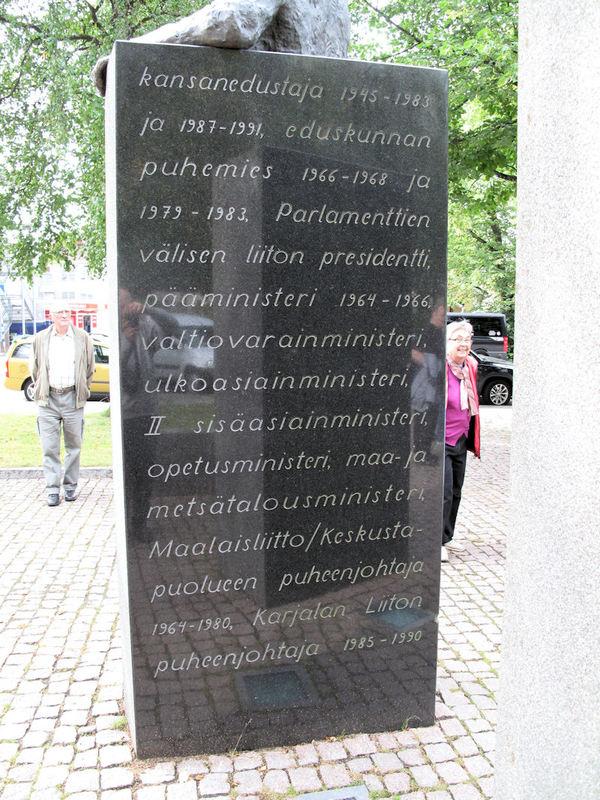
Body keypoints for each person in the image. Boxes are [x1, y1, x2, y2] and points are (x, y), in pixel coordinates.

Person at [30, 301, 95, 506]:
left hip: (72, 399)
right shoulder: (40, 338)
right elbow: (35, 368)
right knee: (49, 447)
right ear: (52, 315)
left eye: (67, 311)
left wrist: (83, 389)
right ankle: (52, 489)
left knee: (74, 447)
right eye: (59, 312)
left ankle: (70, 487)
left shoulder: (82, 337)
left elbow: (90, 367)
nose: (64, 315)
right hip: (48, 400)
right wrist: (41, 388)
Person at [442, 320, 480, 561]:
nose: (463, 343)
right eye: (457, 339)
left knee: (456, 491)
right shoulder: (439, 368)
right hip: (442, 439)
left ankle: (447, 536)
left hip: (461, 437)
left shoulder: (471, 367)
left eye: (467, 339)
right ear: (447, 343)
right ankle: (436, 542)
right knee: (444, 492)